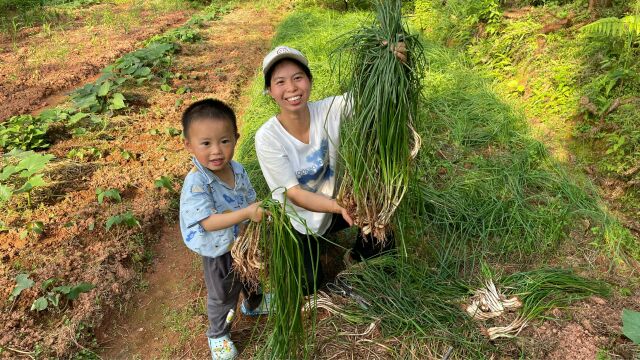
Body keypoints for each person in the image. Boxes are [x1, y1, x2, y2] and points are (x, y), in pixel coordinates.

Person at [254, 45, 404, 295]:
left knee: (380, 221)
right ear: (270, 91)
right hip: (296, 221)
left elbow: (371, 95)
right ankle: (304, 253)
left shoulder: (328, 110)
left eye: (298, 78)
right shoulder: (268, 137)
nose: (291, 88)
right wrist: (339, 206)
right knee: (309, 287)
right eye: (280, 82)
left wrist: (391, 63)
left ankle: (362, 258)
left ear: (310, 81)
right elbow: (293, 193)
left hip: (335, 206)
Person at [179, 98, 270, 360]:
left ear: (236, 138)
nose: (216, 151)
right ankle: (218, 334)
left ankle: (254, 303)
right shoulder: (197, 182)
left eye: (224, 141)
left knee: (251, 273)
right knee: (223, 292)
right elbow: (208, 221)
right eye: (205, 143)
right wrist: (246, 213)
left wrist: (257, 212)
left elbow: (249, 197)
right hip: (218, 249)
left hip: (241, 240)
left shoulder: (237, 169)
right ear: (189, 145)